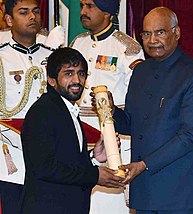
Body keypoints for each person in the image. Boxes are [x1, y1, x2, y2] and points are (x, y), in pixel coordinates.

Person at [97, 6, 193, 214]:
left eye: (160, 32)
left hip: (181, 194)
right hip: (145, 193)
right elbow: (132, 125)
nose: (152, 40)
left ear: (176, 32)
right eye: (146, 34)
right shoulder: (140, 72)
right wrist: (110, 108)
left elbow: (190, 135)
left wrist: (143, 164)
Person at [20, 47, 124, 214]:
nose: (77, 80)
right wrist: (95, 175)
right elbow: (44, 167)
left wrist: (94, 158)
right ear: (51, 80)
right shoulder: (42, 112)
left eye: (81, 73)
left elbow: (67, 162)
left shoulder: (67, 110)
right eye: (69, 73)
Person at [70, 0, 145, 213]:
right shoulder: (77, 43)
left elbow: (137, 100)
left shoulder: (127, 48)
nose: (83, 12)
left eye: (90, 6)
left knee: (109, 206)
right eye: (82, 6)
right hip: (81, 137)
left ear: (108, 12)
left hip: (112, 140)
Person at [0, 0, 57, 213]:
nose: (32, 17)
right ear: (8, 19)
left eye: (35, 11)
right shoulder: (2, 57)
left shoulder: (52, 57)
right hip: (12, 158)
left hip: (50, 158)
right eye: (23, 12)